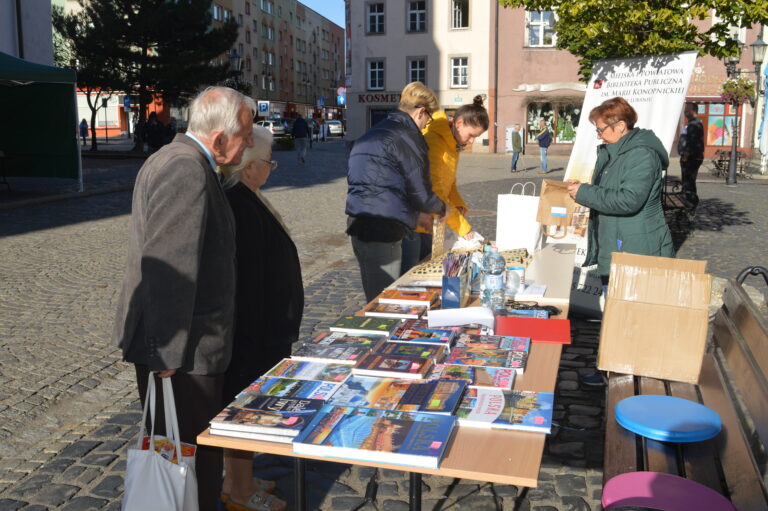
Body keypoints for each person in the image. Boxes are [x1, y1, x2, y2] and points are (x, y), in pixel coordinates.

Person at [112, 86, 256, 511]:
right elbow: (167, 267)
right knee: (189, 461)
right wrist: (166, 355)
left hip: (183, 348)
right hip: (184, 354)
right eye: (245, 134)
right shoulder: (186, 169)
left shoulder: (180, 159)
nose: (249, 143)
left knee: (185, 456)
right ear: (218, 138)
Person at [219, 127, 303, 511]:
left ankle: (244, 478)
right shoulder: (239, 204)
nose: (272, 169)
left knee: (250, 410)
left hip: (264, 331)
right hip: (254, 335)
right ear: (250, 167)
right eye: (269, 162)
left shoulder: (248, 198)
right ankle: (237, 490)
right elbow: (249, 281)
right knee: (243, 411)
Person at [567, 97, 673, 387]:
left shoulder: (641, 155)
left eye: (601, 129)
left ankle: (625, 375)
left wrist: (584, 194)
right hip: (617, 243)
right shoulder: (615, 151)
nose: (598, 135)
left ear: (621, 126)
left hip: (637, 247)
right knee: (616, 312)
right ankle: (614, 371)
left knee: (630, 316)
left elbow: (629, 200)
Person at [346, 81, 446, 302]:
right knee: (385, 302)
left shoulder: (376, 131)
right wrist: (440, 209)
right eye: (428, 119)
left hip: (357, 223)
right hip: (383, 228)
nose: (426, 125)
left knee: (373, 296)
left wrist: (413, 215)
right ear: (421, 112)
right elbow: (420, 193)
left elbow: (381, 187)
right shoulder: (408, 137)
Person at [400, 95, 489, 274]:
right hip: (413, 219)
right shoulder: (435, 142)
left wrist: (458, 204)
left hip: (429, 219)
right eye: (471, 135)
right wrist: (461, 227)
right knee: (410, 275)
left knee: (424, 268)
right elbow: (435, 189)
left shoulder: (452, 144)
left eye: (476, 137)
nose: (472, 141)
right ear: (459, 123)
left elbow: (450, 183)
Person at [678, 102, 704, 206]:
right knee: (688, 182)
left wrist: (686, 155)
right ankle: (687, 204)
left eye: (687, 110)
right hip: (690, 157)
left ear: (693, 110)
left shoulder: (694, 124)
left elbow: (692, 141)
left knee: (689, 183)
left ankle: (690, 205)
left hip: (691, 158)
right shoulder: (692, 123)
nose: (685, 112)